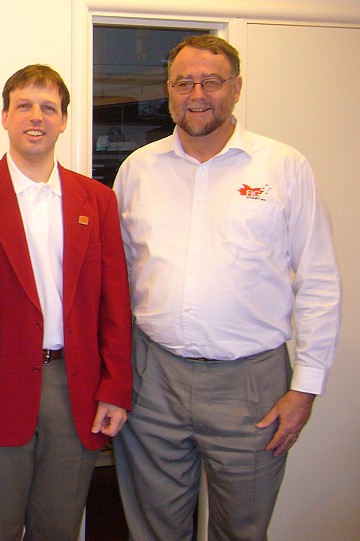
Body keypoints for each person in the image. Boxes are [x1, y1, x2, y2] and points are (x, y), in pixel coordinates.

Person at [113, 35, 342, 540]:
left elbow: (320, 280)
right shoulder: (138, 170)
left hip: (252, 386)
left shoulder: (283, 166)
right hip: (153, 379)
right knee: (153, 529)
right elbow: (120, 277)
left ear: (236, 88)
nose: (197, 94)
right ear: (168, 91)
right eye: (184, 83)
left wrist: (305, 388)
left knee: (242, 530)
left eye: (211, 82)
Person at [0, 64, 132, 541]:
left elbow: (114, 304)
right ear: (5, 116)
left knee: (59, 529)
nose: (36, 116)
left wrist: (115, 387)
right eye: (24, 105)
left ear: (64, 120)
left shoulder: (97, 200)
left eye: (49, 107)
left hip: (75, 389)